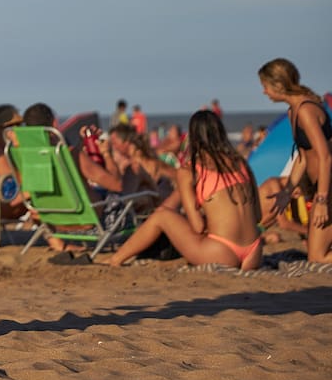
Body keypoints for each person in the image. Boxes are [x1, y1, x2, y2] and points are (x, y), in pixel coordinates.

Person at [108, 110, 263, 270]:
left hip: (221, 252)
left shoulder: (190, 170)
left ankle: (115, 260)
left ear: (193, 137)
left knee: (161, 215)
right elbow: (257, 216)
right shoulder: (241, 163)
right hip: (254, 253)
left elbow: (197, 227)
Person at [259, 58, 331, 262]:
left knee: (317, 257)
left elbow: (325, 156)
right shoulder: (294, 111)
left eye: (265, 86)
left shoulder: (306, 111)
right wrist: (286, 192)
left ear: (278, 85)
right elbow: (302, 156)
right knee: (316, 255)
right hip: (321, 187)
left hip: (327, 188)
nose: (264, 92)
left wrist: (323, 199)